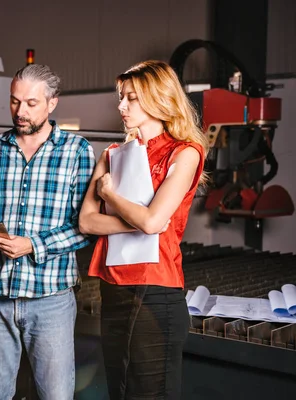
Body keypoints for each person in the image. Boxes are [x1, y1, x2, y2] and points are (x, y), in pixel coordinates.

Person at [0, 64, 96, 400]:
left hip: (50, 298)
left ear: (52, 103)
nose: (20, 112)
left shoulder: (76, 151)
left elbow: (86, 228)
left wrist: (32, 245)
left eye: (31, 103)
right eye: (14, 102)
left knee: (55, 394)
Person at [78, 60, 208, 399]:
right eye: (122, 97)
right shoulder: (112, 154)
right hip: (113, 289)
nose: (121, 106)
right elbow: (87, 221)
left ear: (158, 98)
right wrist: (138, 221)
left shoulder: (186, 152)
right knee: (119, 392)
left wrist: (109, 194)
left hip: (156, 292)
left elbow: (153, 222)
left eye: (131, 98)